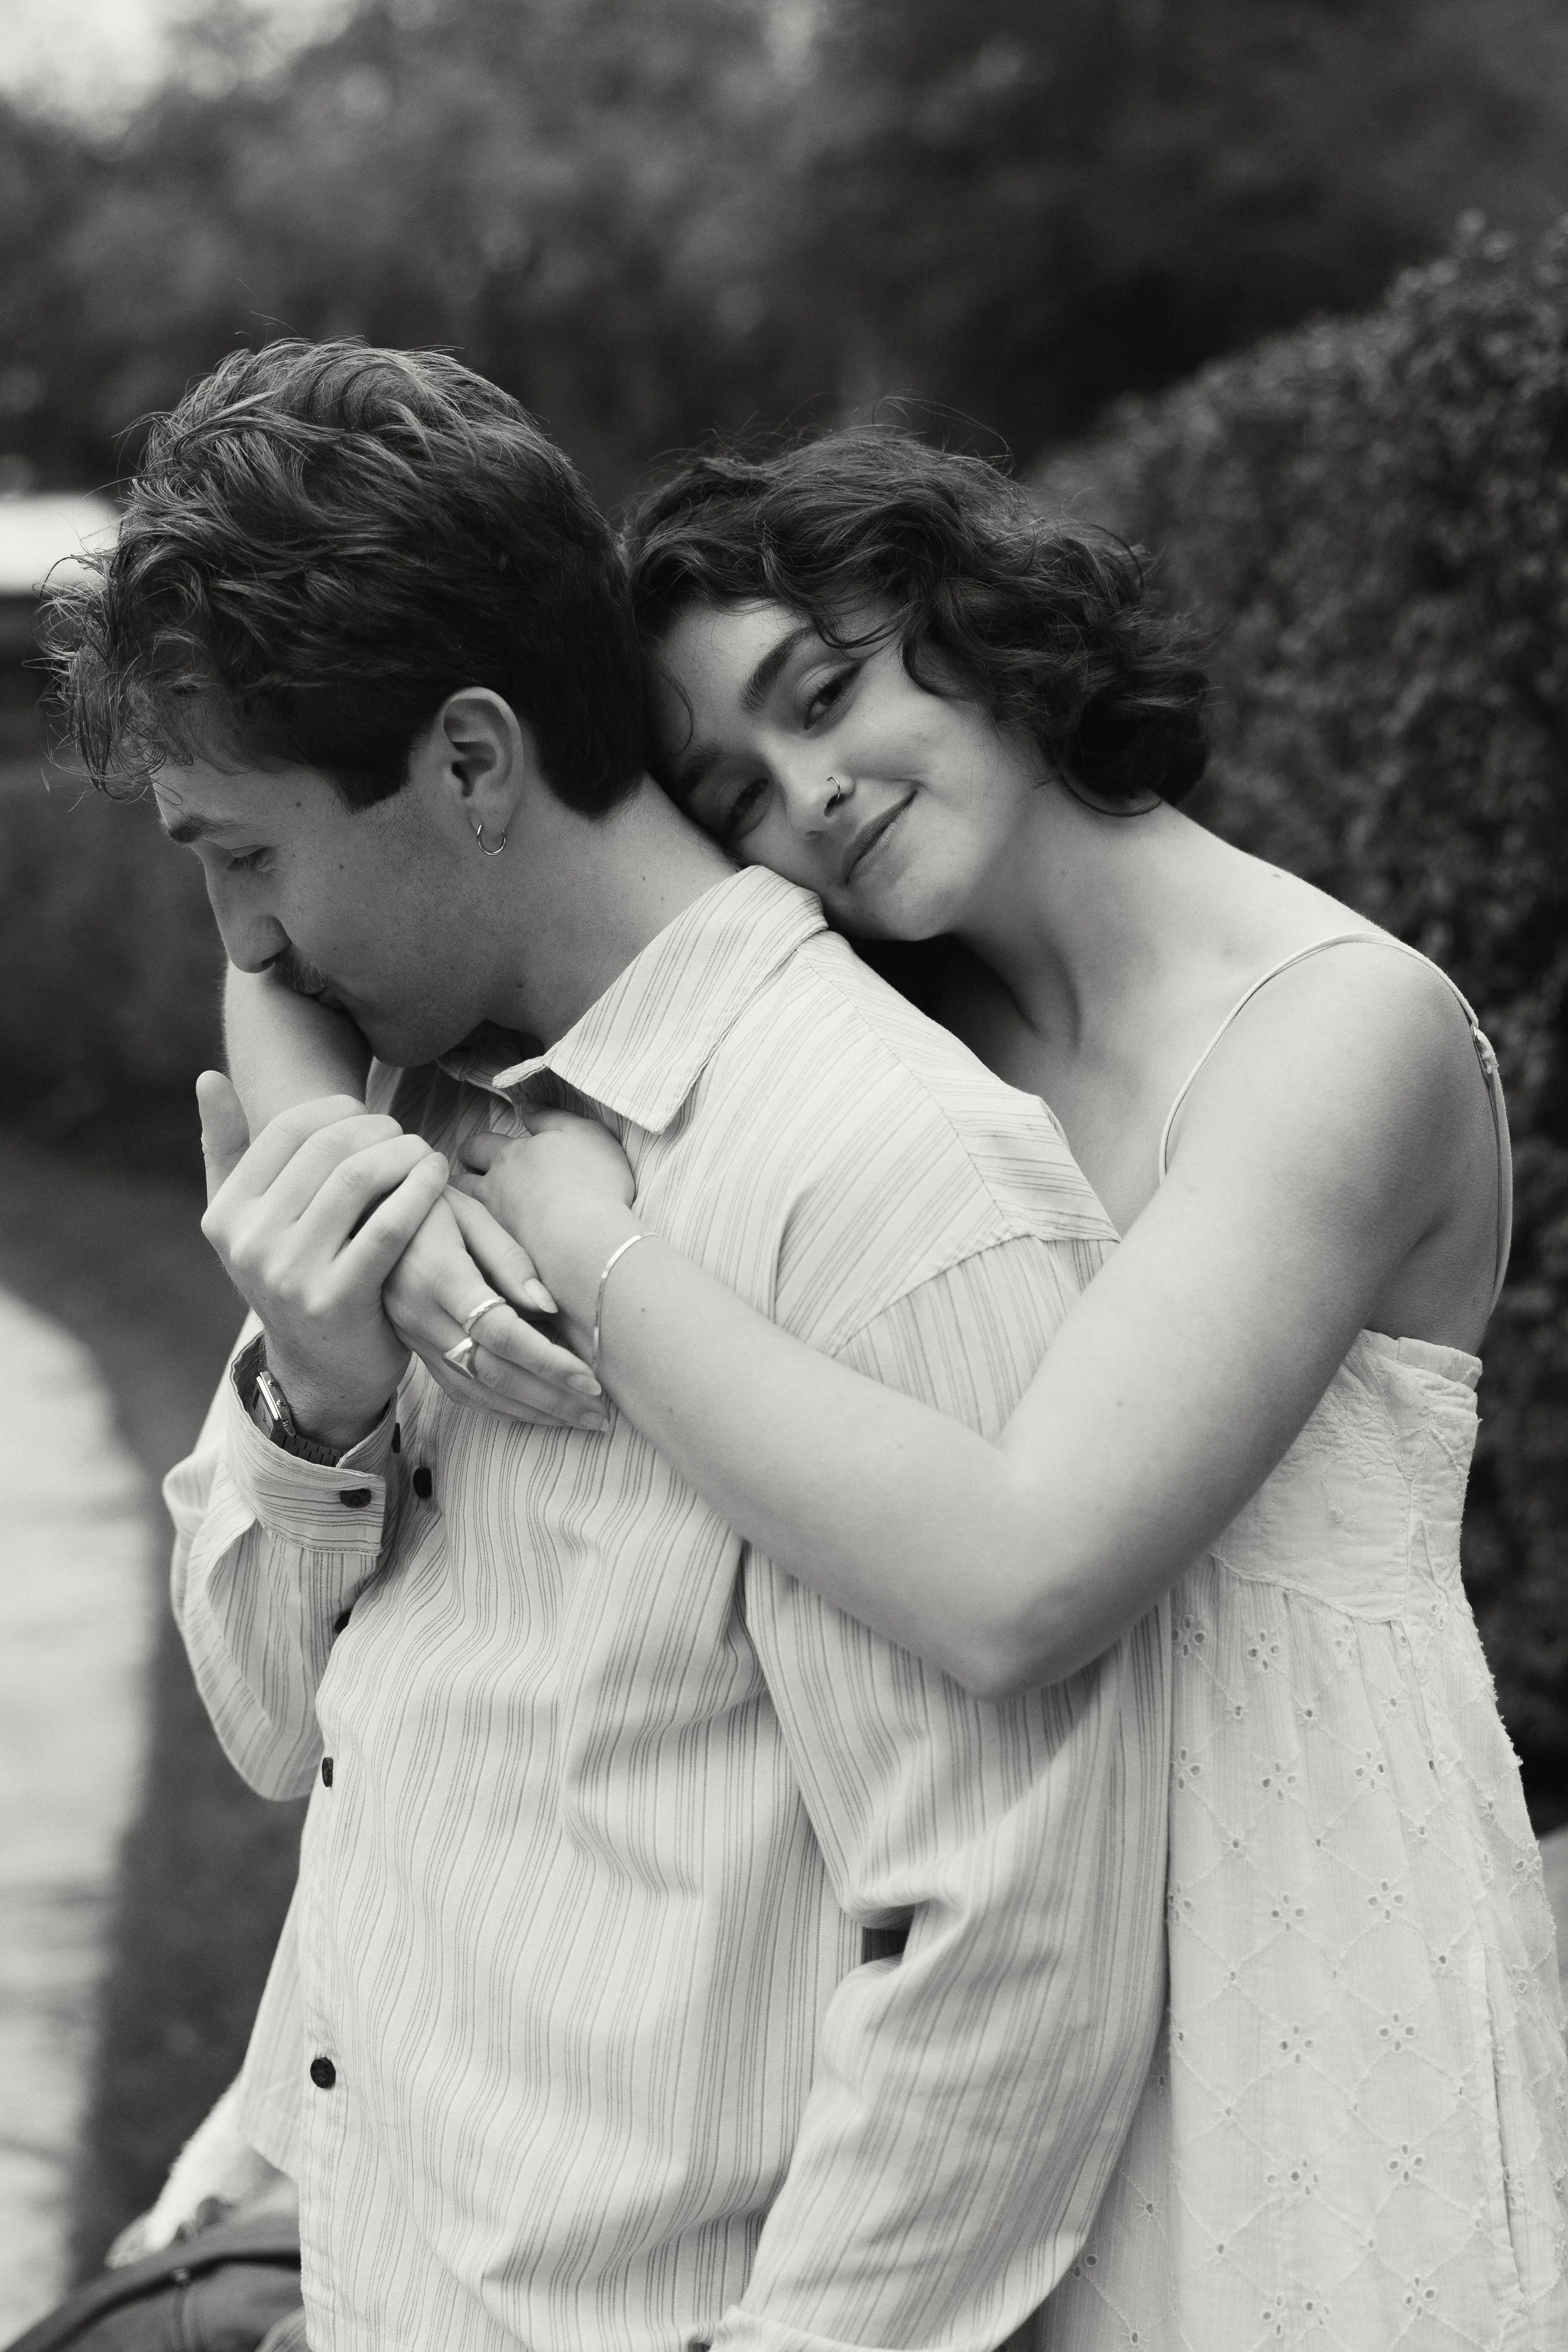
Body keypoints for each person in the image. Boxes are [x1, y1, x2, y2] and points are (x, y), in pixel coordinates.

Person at [233, 427, 1568, 2346]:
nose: (810, 793)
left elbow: (1019, 1578)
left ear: (983, 612)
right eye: (734, 787)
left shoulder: (1335, 1032)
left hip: (1293, 1928)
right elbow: (291, 926)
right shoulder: (918, 1028)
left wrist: (572, 1229)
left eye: (826, 688)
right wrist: (344, 1172)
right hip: (1005, 1971)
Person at [45, 346, 1172, 2352]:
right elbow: (259, 1720)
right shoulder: (391, 1120)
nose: (240, 945)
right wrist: (313, 1394)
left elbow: (1012, 1956)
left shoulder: (887, 1174)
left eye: (247, 855)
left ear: (471, 763)